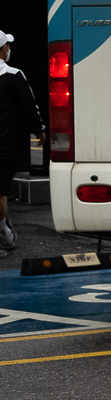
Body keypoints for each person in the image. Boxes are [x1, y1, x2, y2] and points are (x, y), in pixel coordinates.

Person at [0, 31, 38, 254]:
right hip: (4, 144)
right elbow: (29, 106)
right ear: (3, 49)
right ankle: (4, 234)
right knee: (1, 191)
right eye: (7, 46)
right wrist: (39, 131)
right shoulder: (13, 75)